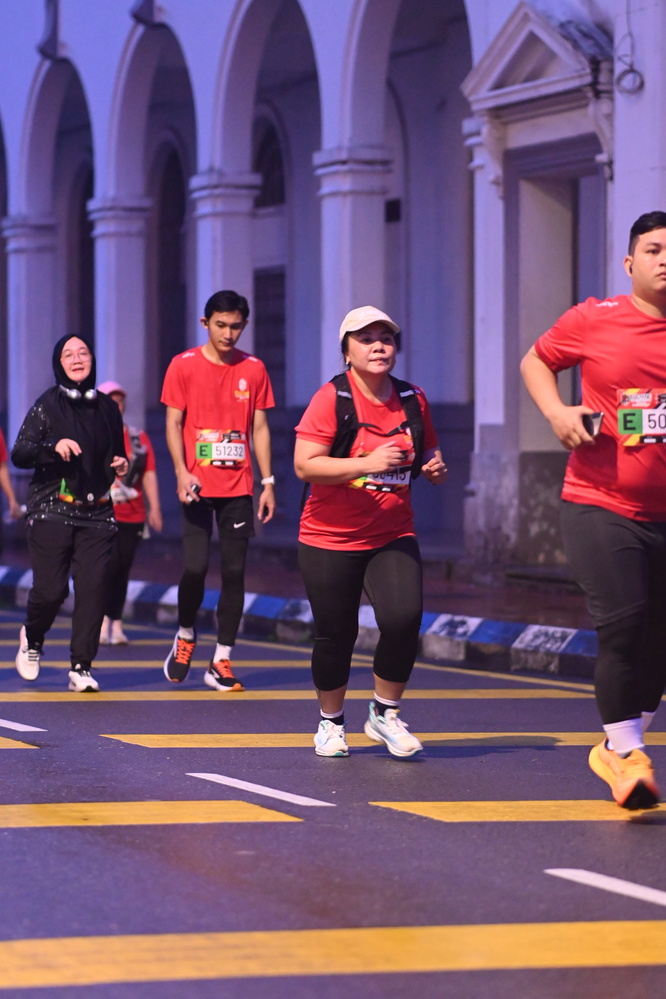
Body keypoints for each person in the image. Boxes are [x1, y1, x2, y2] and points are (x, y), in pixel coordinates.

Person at [520, 210, 666, 810]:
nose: (665, 259)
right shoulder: (594, 318)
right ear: (630, 263)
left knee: (658, 645)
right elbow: (535, 361)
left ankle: (618, 745)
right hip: (601, 502)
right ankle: (626, 754)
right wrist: (556, 412)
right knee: (624, 624)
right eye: (654, 250)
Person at [294, 306, 447, 758]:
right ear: (347, 352)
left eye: (386, 338)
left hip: (392, 533)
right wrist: (366, 463)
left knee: (403, 619)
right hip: (329, 537)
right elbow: (305, 464)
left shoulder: (413, 398)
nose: (378, 346)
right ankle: (330, 722)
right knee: (335, 634)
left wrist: (433, 466)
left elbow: (427, 448)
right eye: (366, 339)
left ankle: (384, 713)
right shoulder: (332, 399)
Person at [161, 289, 275, 691]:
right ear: (205, 323)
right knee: (195, 567)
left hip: (239, 487)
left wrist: (268, 483)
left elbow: (260, 428)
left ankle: (222, 659)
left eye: (236, 326)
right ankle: (186, 634)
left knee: (234, 572)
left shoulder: (254, 369)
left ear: (245, 325)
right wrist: (180, 471)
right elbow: (173, 423)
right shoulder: (183, 365)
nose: (228, 334)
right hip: (195, 483)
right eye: (221, 325)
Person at [11, 335, 127, 692]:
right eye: (68, 355)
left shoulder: (108, 408)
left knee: (93, 590)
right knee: (51, 591)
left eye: (83, 353)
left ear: (92, 359)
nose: (77, 359)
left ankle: (81, 666)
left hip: (98, 513)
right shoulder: (47, 404)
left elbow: (118, 453)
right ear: (58, 363)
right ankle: (32, 637)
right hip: (52, 509)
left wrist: (121, 464)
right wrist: (52, 445)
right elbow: (20, 453)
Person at [97, 381, 163, 645]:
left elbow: (149, 473)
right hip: (100, 514)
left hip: (132, 514)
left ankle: (116, 622)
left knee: (122, 569)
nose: (117, 405)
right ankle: (101, 620)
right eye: (111, 400)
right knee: (107, 566)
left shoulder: (138, 438)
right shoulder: (91, 435)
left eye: (120, 400)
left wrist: (155, 508)